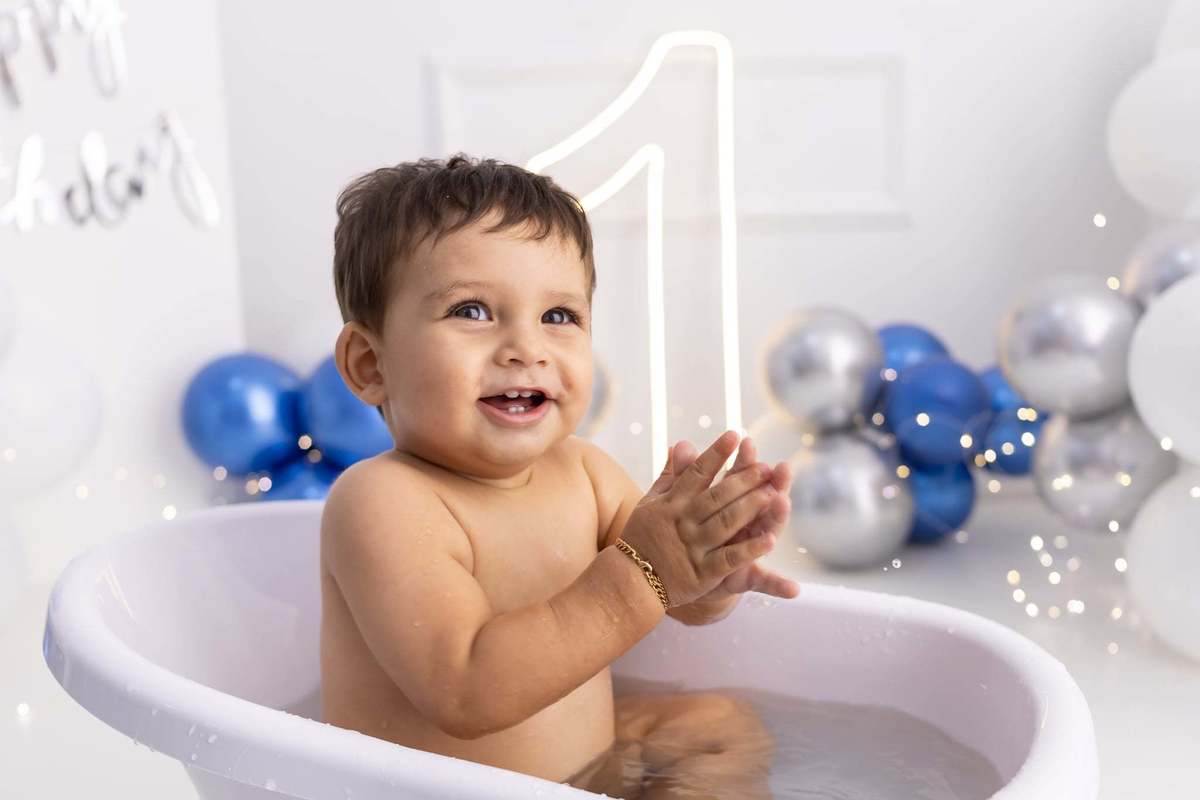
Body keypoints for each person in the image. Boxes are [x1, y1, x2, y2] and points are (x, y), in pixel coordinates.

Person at [320, 153, 800, 798]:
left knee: (720, 725)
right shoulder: (384, 501)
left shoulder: (586, 473)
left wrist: (706, 576)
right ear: (370, 364)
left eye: (558, 316)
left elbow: (667, 592)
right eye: (471, 311)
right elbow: (465, 691)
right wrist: (642, 574)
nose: (527, 347)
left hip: (584, 774)